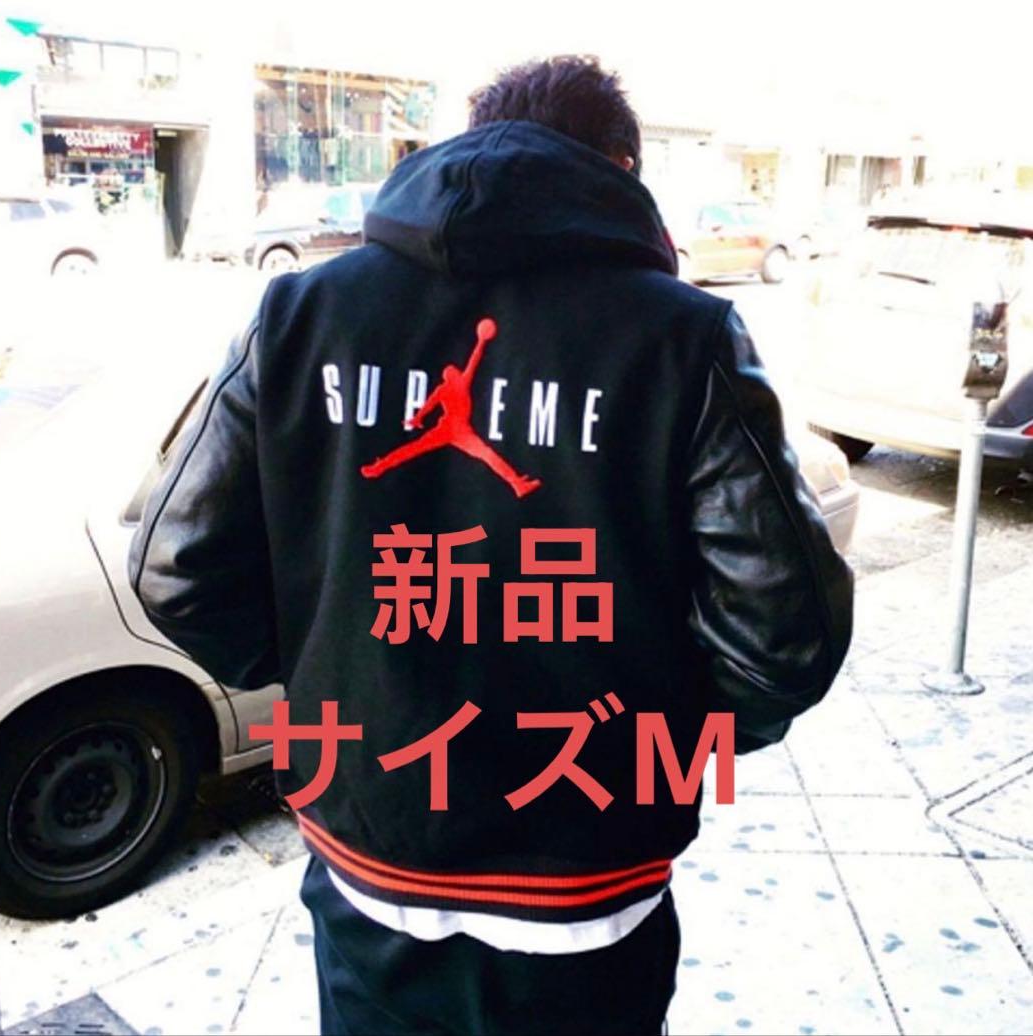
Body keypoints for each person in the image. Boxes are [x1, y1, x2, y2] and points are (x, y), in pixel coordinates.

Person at [129, 55, 854, 1035]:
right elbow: (784, 637)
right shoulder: (684, 338)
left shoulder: (300, 313)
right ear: (620, 168)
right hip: (589, 879)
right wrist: (664, 746)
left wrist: (334, 675)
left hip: (373, 864)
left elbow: (176, 569)